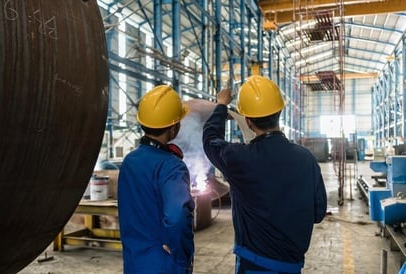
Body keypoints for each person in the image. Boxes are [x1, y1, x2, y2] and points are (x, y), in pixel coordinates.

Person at [202, 75, 327, 274]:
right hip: (292, 266)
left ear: (248, 121)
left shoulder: (240, 158)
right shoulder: (307, 159)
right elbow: (318, 213)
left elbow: (210, 140)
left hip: (254, 264)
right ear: (279, 111)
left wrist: (221, 105)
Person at [118, 85, 195, 274]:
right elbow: (176, 217)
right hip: (164, 265)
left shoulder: (129, 161)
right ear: (173, 127)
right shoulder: (171, 166)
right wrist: (181, 257)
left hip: (134, 263)